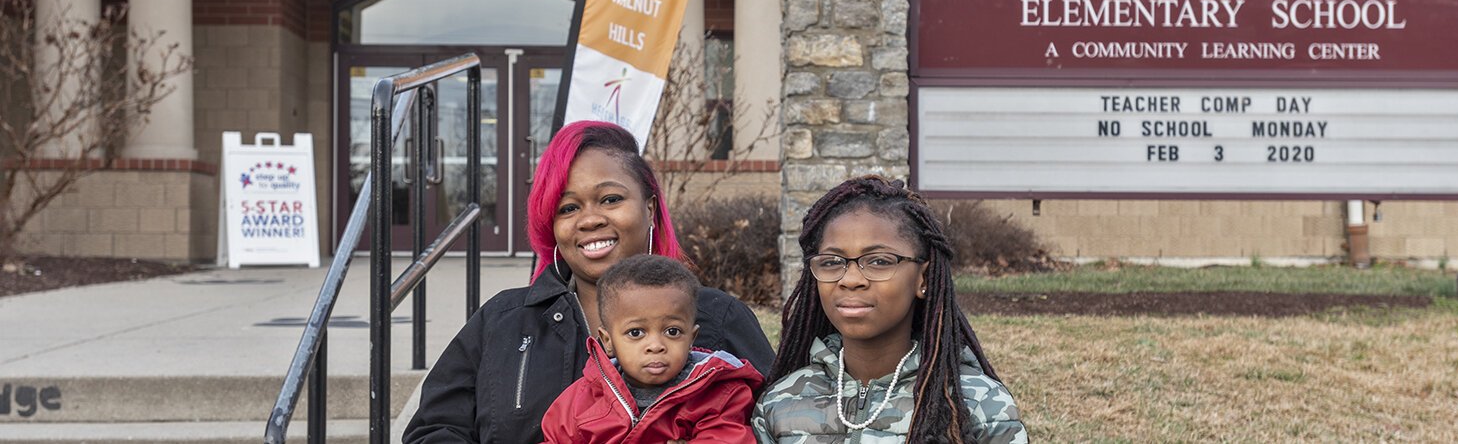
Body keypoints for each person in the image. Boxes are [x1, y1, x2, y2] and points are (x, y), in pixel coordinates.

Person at [404, 121, 774, 443]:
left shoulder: (718, 318)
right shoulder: (504, 320)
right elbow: (433, 429)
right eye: (568, 208)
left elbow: (774, 423)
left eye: (610, 199)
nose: (589, 219)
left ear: (649, 208)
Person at [752, 175, 1028, 443]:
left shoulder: (978, 404)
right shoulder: (780, 405)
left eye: (880, 261)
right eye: (832, 262)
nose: (850, 280)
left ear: (924, 279)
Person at [540, 254, 762, 443]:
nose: (656, 346)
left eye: (672, 332)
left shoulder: (719, 394)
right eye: (636, 333)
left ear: (691, 338)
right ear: (608, 341)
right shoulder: (583, 398)